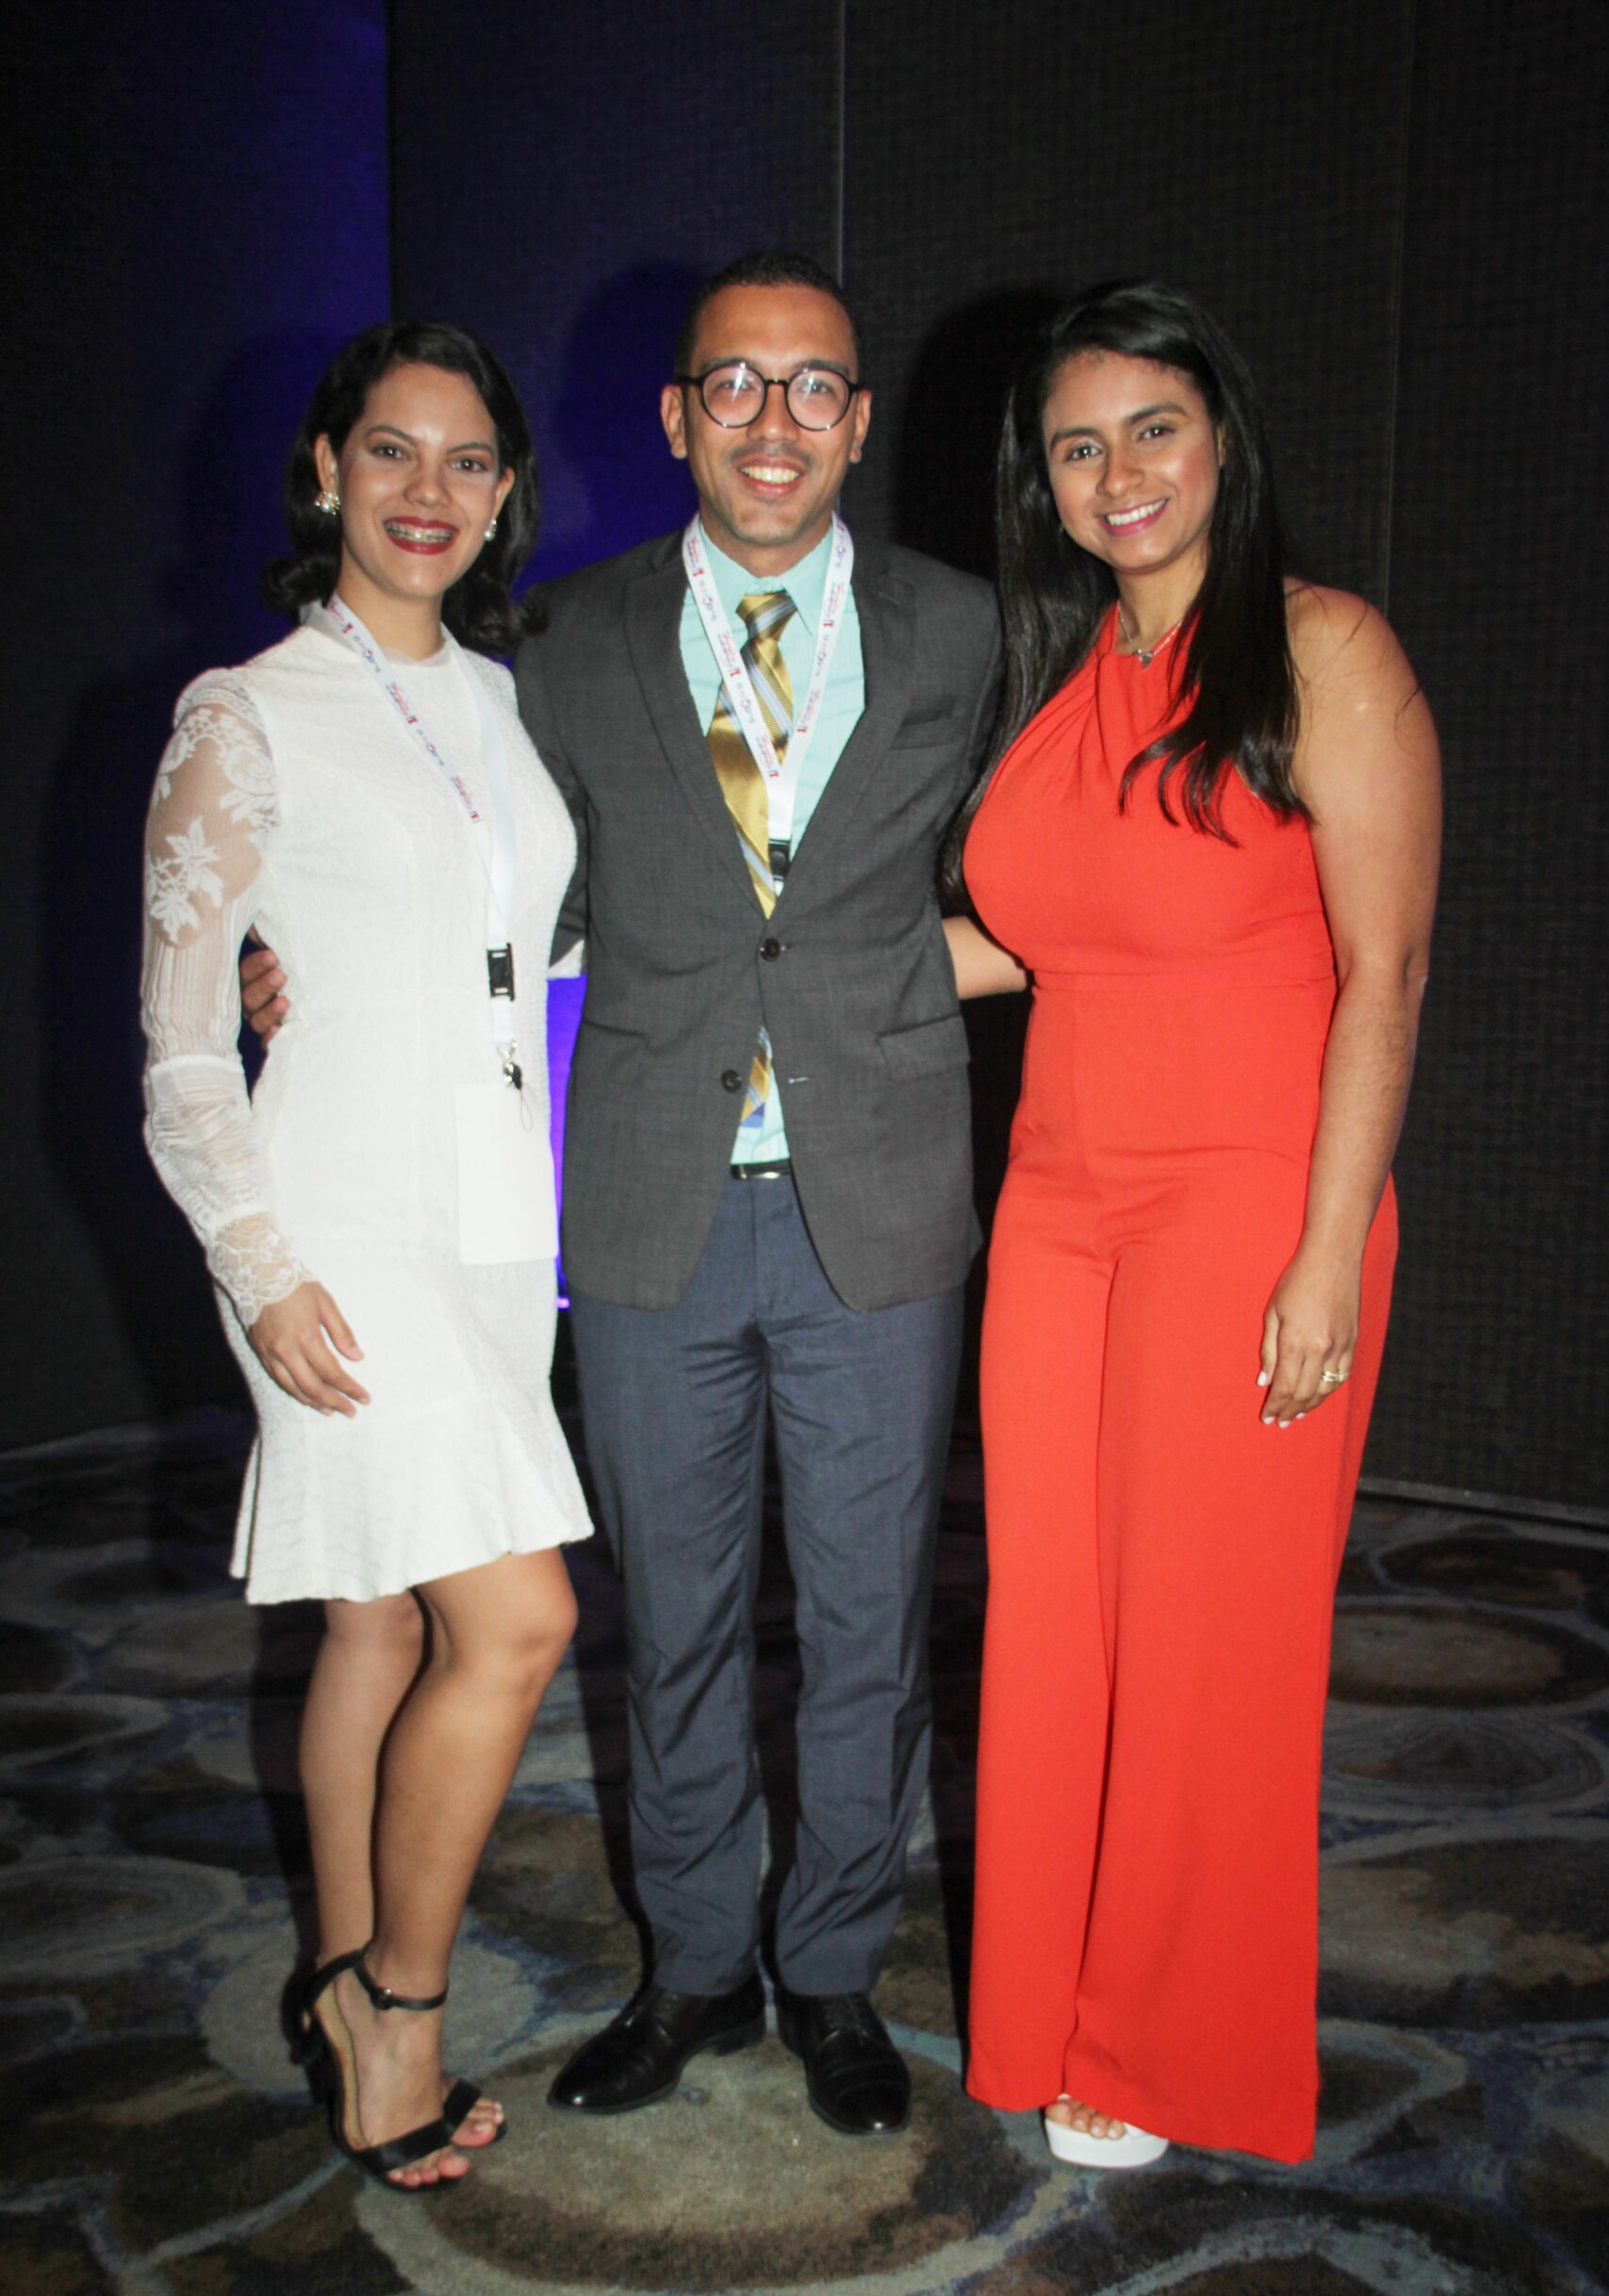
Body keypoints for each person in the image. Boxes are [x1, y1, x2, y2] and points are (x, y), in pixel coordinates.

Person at [253, 253, 1002, 2134]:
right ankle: (693, 1965)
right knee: (671, 1626)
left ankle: (830, 1970)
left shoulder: (962, 630)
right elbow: (491, 889)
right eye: (733, 385)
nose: (773, 421)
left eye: (813, 385)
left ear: (856, 418)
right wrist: (295, 960)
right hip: (649, 1202)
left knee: (866, 1630)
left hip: (879, 1204)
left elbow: (1047, 874)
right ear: (675, 417)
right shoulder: (565, 644)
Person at [944, 280, 1439, 2167]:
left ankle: (1161, 2048)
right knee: (1053, 1624)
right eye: (1075, 447)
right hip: (1056, 1210)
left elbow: (1385, 971)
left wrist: (1327, 1248)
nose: (1115, 472)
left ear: (1220, 437)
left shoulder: (1323, 647)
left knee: (1202, 1645)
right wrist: (746, 963)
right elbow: (1025, 943)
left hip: (1249, 1202)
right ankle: (1046, 2002)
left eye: (1149, 427)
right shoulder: (1070, 677)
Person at [140, 321, 591, 2190]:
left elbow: (519, 952)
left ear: (504, 495)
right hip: (332, 1218)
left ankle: (335, 1966)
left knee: (377, 1614)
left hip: (491, 1219)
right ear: (326, 467)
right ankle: (399, 2006)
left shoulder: (504, 699)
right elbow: (181, 1049)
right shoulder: (244, 710)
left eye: (468, 460)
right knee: (522, 1619)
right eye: (391, 450)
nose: (429, 490)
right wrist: (261, 1267)